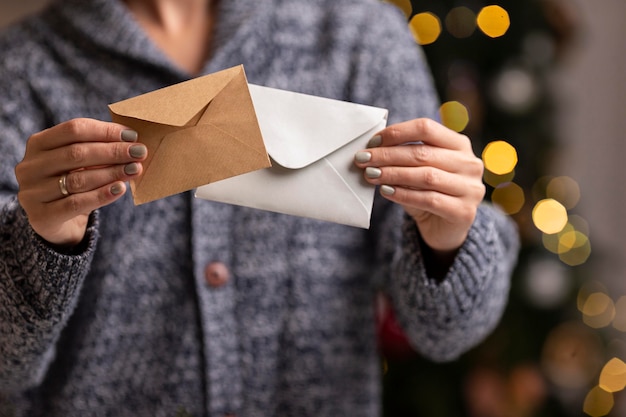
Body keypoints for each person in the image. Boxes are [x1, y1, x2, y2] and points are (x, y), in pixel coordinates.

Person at [0, 0, 520, 416]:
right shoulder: (20, 70)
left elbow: (446, 332)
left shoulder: (360, 37)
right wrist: (40, 242)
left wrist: (451, 237)